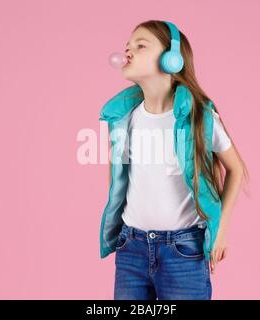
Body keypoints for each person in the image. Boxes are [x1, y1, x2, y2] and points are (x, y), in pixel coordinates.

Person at [99, 20, 249, 300]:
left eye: (140, 46)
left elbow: (236, 168)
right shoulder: (123, 118)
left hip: (184, 251)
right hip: (131, 248)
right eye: (127, 47)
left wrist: (220, 230)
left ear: (172, 58)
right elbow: (118, 172)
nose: (128, 52)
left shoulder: (199, 117)